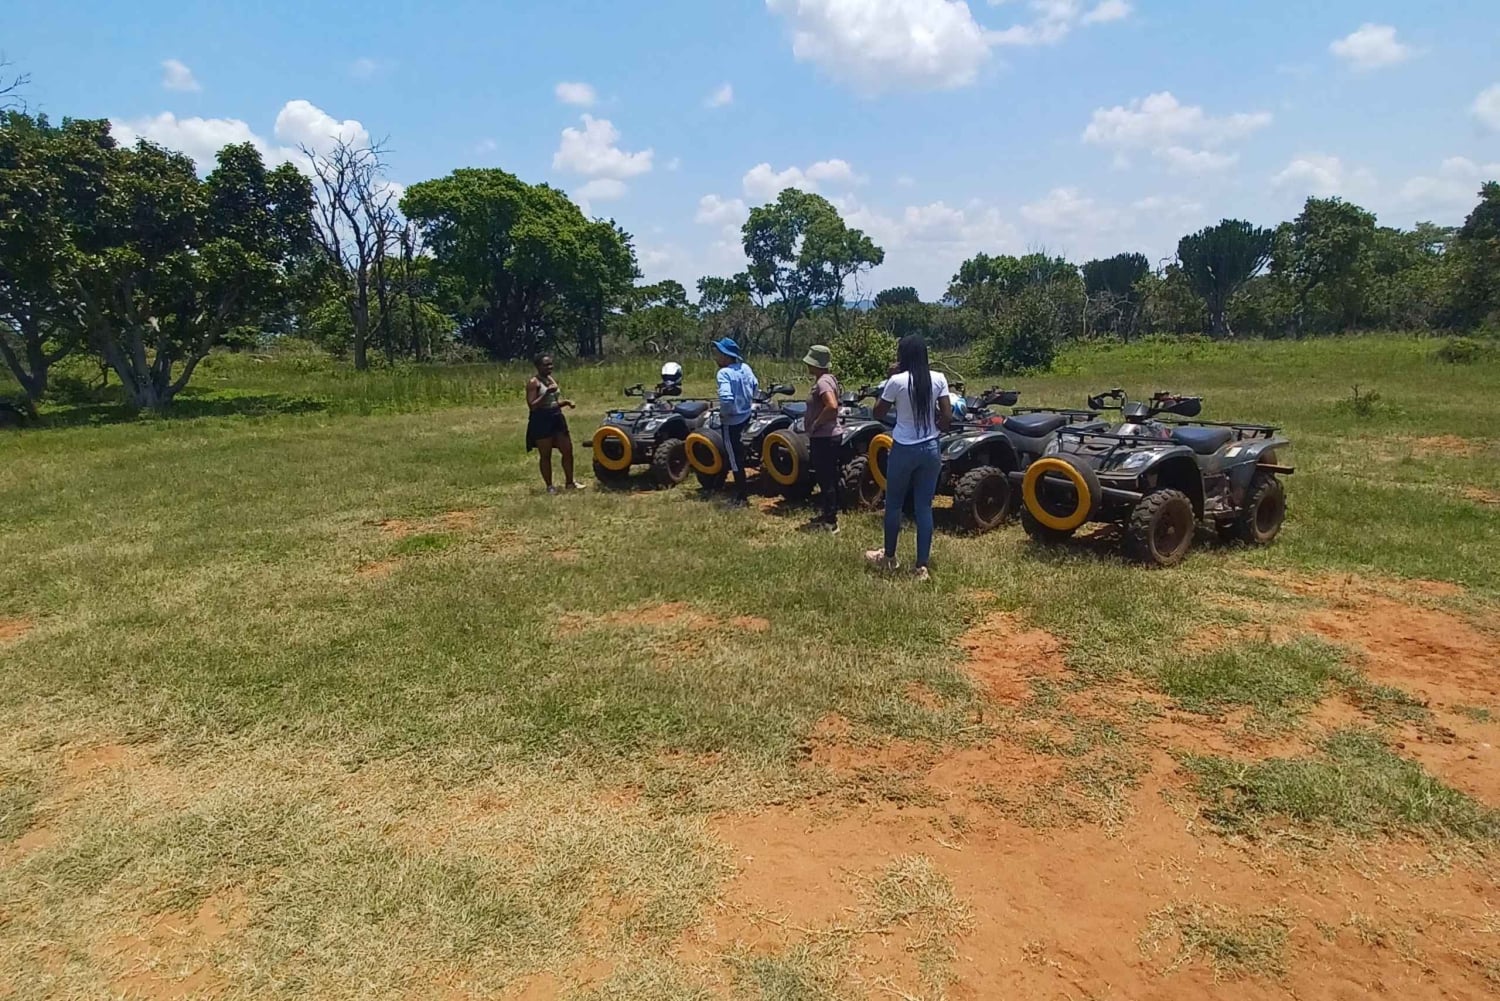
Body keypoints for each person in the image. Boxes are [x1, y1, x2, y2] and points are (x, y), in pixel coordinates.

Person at [866, 336, 951, 581]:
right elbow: (946, 417)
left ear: (903, 356)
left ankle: (889, 557)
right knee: (924, 507)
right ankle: (921, 566)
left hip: (904, 447)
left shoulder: (897, 381)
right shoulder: (939, 379)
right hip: (931, 447)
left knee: (894, 504)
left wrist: (888, 382)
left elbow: (878, 412)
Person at [711, 337, 759, 506]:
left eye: (718, 353)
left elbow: (726, 398)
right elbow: (755, 385)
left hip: (731, 420)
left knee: (733, 457)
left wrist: (725, 414)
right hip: (746, 415)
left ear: (726, 356)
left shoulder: (724, 373)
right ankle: (722, 484)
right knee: (737, 452)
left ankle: (741, 496)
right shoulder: (745, 368)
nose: (716, 356)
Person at [526, 353, 583, 493]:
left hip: (556, 417)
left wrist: (566, 403)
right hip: (541, 420)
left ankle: (570, 482)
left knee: (567, 450)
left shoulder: (550, 379)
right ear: (538, 366)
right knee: (545, 455)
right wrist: (545, 393)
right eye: (546, 365)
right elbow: (532, 405)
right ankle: (549, 486)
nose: (549, 367)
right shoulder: (534, 382)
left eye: (551, 364)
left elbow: (553, 402)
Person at [802, 344, 842, 533]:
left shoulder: (822, 383)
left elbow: (832, 406)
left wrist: (816, 424)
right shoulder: (829, 379)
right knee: (828, 477)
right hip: (830, 435)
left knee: (825, 478)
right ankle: (829, 512)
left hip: (824, 436)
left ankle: (830, 522)